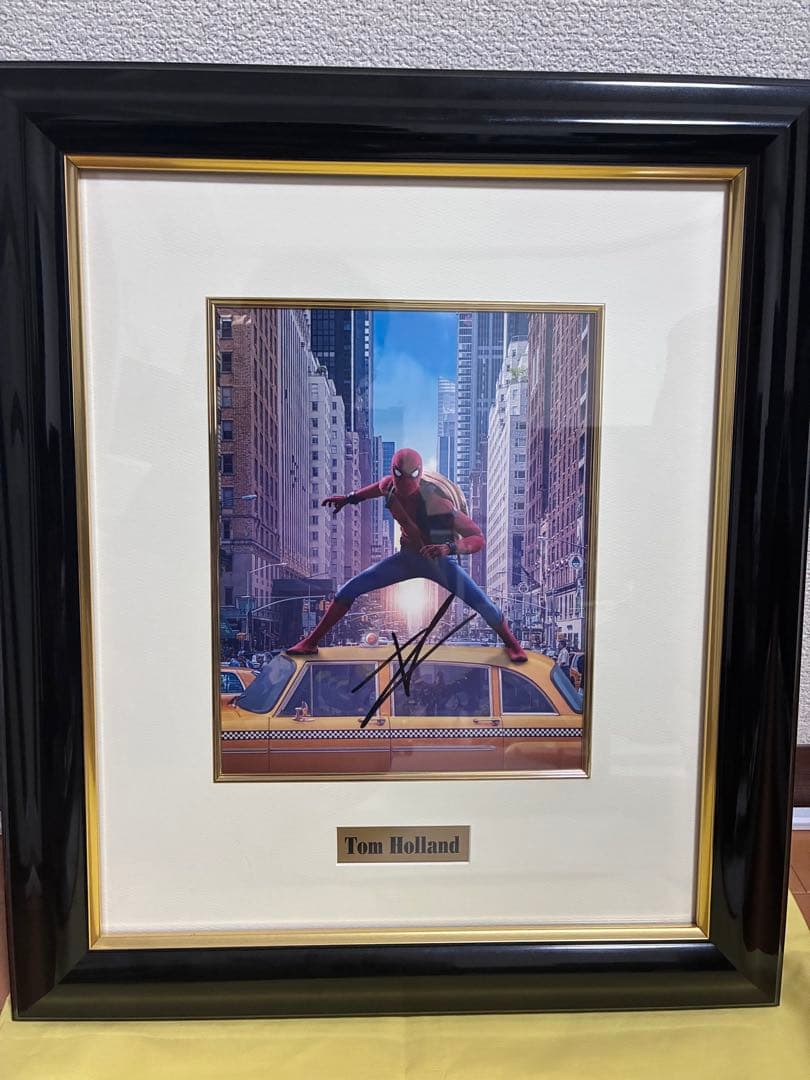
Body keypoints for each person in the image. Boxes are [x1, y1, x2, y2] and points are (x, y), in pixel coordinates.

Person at [286, 447, 527, 662]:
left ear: (418, 480)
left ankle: (513, 644)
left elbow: (477, 538)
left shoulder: (437, 503)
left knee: (482, 603)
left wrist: (448, 548)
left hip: (438, 562)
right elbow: (374, 490)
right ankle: (311, 642)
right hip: (406, 558)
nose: (404, 492)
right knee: (347, 591)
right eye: (401, 486)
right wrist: (350, 498)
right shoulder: (388, 486)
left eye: (409, 490)